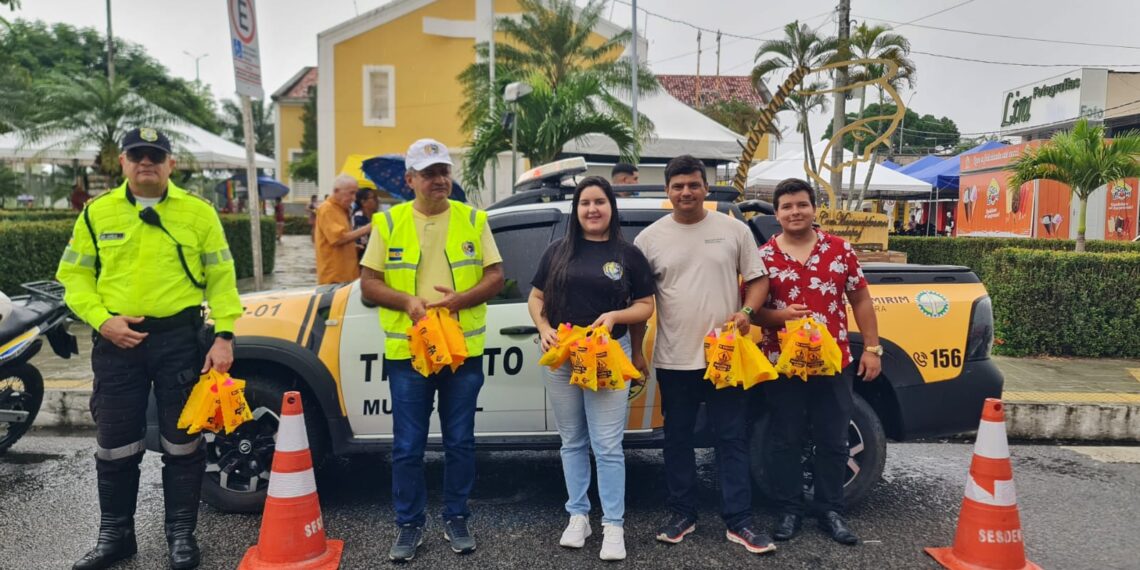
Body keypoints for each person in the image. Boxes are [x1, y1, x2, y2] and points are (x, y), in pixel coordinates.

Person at [56, 127, 242, 570]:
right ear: (122, 162)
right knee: (116, 443)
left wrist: (225, 335)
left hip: (180, 341)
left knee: (183, 442)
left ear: (170, 164)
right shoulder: (97, 213)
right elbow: (73, 278)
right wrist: (104, 321)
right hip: (117, 342)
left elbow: (222, 278)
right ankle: (115, 535)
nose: (146, 163)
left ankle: (181, 535)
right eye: (137, 155)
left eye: (155, 156)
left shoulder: (198, 213)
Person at [359, 138, 504, 562]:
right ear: (410, 180)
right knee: (407, 445)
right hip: (409, 353)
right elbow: (369, 282)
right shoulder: (388, 223)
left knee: (460, 442)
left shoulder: (474, 219)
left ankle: (456, 516)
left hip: (462, 352)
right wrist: (408, 302)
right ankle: (409, 524)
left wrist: (459, 300)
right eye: (429, 173)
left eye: (443, 171)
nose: (439, 179)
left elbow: (496, 276)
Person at [633, 155, 775, 555]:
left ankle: (739, 520)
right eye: (677, 186)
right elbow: (641, 300)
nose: (686, 192)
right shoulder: (650, 239)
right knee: (677, 439)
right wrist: (638, 353)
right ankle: (682, 513)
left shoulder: (733, 230)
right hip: (675, 358)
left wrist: (747, 312)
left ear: (705, 187)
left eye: (693, 185)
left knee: (731, 438)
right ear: (667, 191)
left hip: (725, 358)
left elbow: (758, 280)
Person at [527, 176, 655, 561]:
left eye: (600, 202)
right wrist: (544, 327)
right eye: (585, 203)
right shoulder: (557, 251)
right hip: (564, 358)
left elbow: (646, 304)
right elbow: (536, 298)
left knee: (608, 445)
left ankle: (613, 525)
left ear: (611, 207)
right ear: (576, 209)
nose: (592, 209)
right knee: (573, 442)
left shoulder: (627, 254)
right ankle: (578, 516)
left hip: (605, 357)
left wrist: (616, 314)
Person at [754, 177, 881, 547]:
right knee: (784, 438)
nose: (795, 212)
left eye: (801, 205)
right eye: (787, 206)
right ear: (776, 214)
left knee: (833, 437)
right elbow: (753, 311)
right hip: (783, 364)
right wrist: (781, 317)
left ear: (814, 209)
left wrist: (872, 349)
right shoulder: (763, 257)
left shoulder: (839, 250)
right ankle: (789, 509)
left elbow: (860, 299)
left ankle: (831, 510)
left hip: (833, 361)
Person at [314, 175, 372, 284]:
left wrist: (353, 247)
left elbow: (340, 238)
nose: (354, 198)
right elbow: (338, 239)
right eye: (351, 193)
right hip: (334, 278)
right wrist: (369, 227)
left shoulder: (342, 210)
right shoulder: (327, 209)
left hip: (348, 275)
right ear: (336, 191)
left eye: (355, 193)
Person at [352, 187, 380, 260]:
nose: (377, 201)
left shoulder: (375, 216)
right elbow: (363, 242)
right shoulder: (359, 218)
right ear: (363, 202)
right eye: (374, 198)